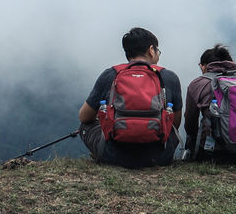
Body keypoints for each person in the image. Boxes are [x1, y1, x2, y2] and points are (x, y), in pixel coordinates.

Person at [78, 27, 182, 168]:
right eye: (158, 51)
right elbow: (175, 122)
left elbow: (84, 117)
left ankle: (104, 152)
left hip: (113, 157)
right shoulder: (169, 77)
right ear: (151, 50)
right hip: (158, 158)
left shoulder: (110, 74)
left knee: (85, 126)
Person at [183, 44, 236, 164]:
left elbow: (190, 121)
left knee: (193, 137)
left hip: (214, 155)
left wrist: (192, 143)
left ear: (204, 67)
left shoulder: (198, 83)